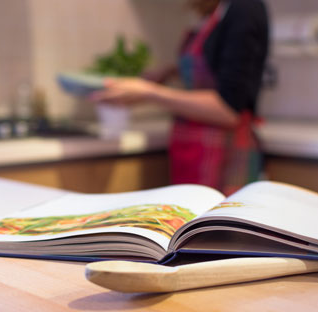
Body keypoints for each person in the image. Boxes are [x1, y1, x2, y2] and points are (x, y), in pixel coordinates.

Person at [91, 0, 269, 195]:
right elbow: (219, 65)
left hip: (226, 156)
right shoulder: (215, 13)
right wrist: (171, 72)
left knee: (217, 222)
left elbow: (228, 109)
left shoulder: (245, 8)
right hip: (194, 151)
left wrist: (149, 92)